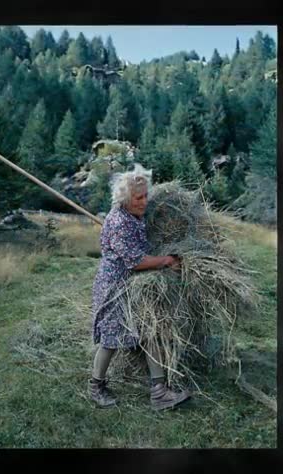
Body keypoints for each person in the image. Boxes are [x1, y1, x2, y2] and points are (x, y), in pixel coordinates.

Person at [89, 163, 191, 410]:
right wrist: (166, 261)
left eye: (146, 196)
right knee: (111, 340)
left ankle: (159, 392)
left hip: (135, 286)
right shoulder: (119, 222)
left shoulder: (134, 215)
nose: (144, 202)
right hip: (116, 287)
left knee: (150, 329)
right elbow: (135, 261)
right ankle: (95, 386)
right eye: (138, 197)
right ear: (125, 198)